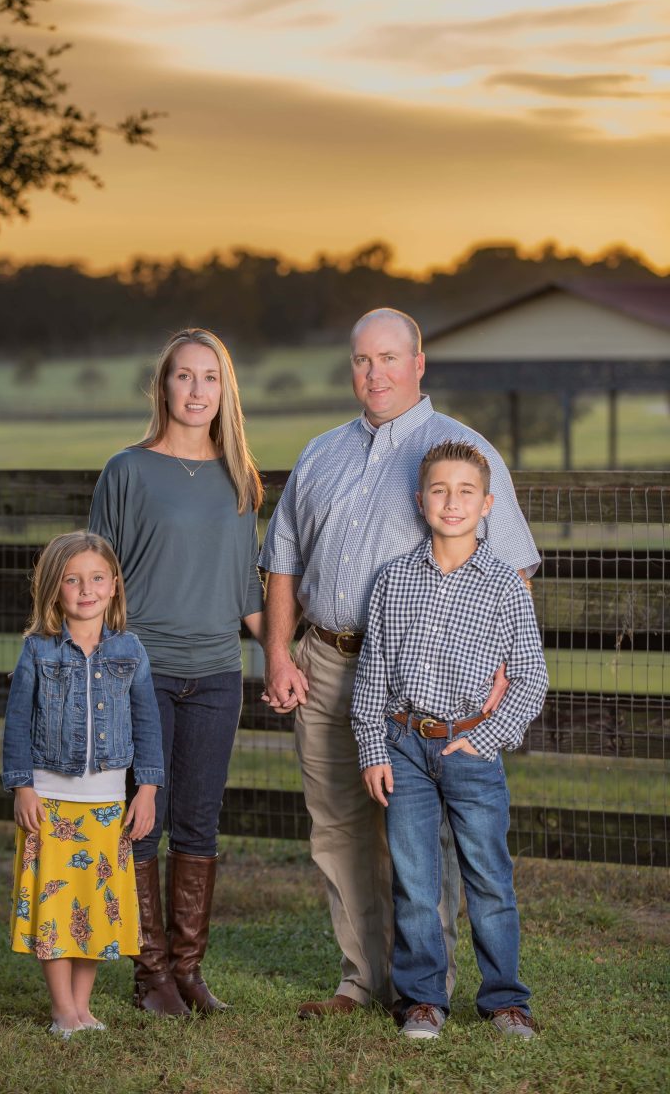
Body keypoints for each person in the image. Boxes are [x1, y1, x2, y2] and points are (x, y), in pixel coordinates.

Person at [259, 307, 540, 1019]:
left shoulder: (460, 452)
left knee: (418, 835)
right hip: (324, 663)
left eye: (389, 357)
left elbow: (511, 571)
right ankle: (361, 978)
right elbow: (283, 561)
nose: (374, 372)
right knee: (337, 828)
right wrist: (278, 655)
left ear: (419, 363)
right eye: (362, 360)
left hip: (420, 684)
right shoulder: (321, 452)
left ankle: (427, 987)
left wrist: (498, 673)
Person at [89, 327, 264, 1018]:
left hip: (219, 672)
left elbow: (246, 592)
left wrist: (284, 655)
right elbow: (97, 578)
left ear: (226, 392)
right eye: (184, 377)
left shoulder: (240, 478)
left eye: (210, 378)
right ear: (163, 386)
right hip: (142, 672)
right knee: (142, 821)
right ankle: (149, 975)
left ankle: (189, 970)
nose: (197, 391)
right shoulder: (126, 471)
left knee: (199, 820)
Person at [351, 440, 548, 1040]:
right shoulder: (394, 579)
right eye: (439, 490)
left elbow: (531, 676)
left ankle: (504, 1000)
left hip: (471, 747)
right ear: (421, 501)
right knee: (414, 878)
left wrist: (488, 737)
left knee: (487, 875)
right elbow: (371, 673)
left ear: (488, 504)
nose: (452, 502)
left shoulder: (504, 585)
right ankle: (422, 1001)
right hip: (405, 743)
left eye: (466, 492)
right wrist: (372, 748)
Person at [2, 531, 163, 1039]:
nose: (85, 588)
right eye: (72, 580)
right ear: (54, 589)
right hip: (50, 802)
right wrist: (22, 787)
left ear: (114, 585)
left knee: (95, 907)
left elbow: (148, 724)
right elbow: (16, 726)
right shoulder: (38, 651)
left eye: (96, 578)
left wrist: (148, 789)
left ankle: (84, 1007)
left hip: (107, 806)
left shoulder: (130, 650)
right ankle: (62, 1010)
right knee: (55, 907)